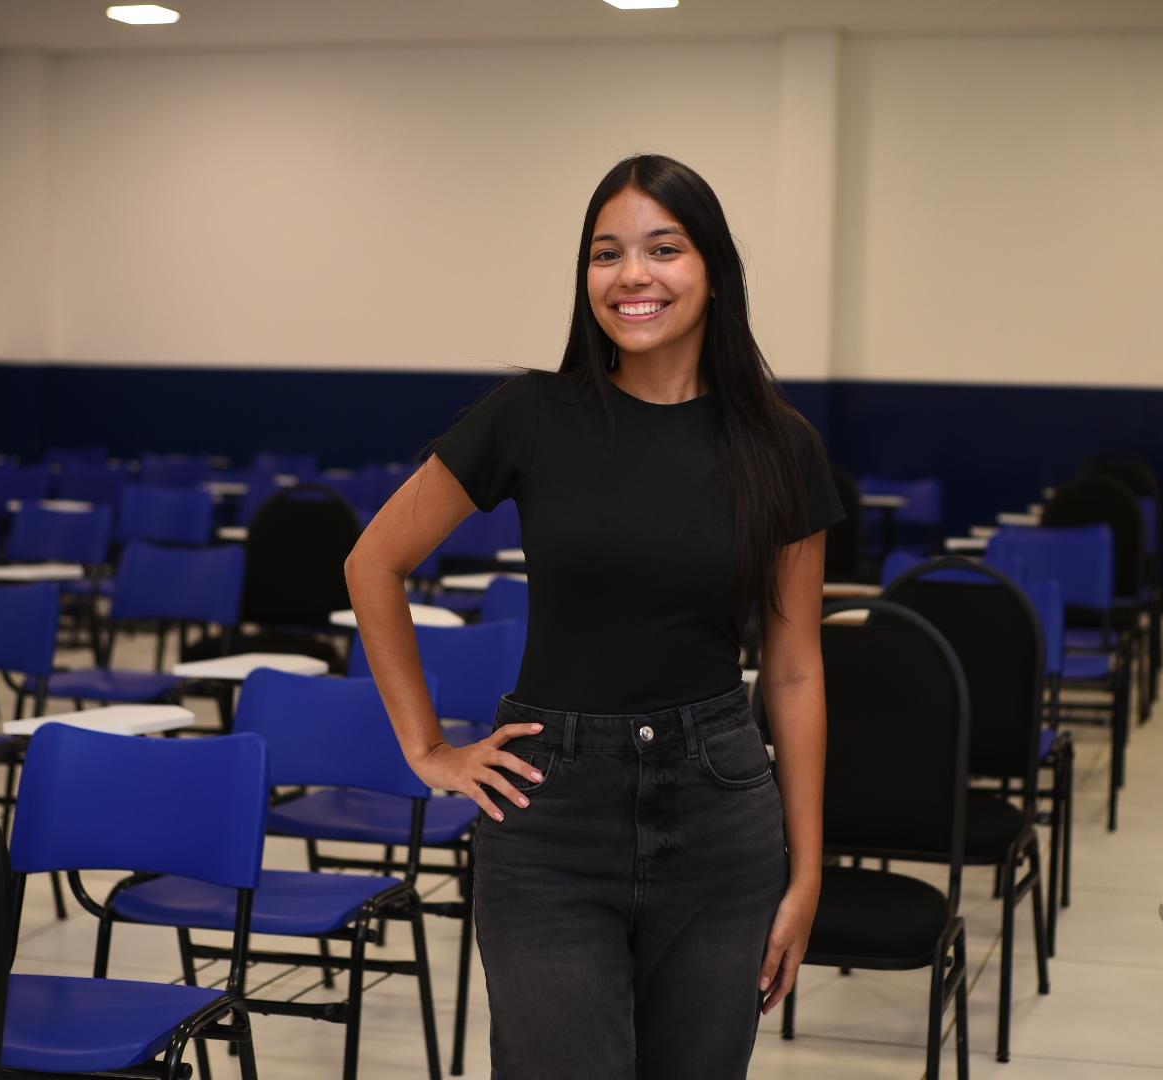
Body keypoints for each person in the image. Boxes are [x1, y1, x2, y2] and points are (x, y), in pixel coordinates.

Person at [344, 153, 843, 1079]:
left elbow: (795, 669)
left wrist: (807, 874)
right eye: (606, 253)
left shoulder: (781, 447)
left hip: (721, 810)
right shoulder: (532, 414)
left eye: (664, 248)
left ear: (715, 270)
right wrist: (429, 750)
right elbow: (373, 561)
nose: (632, 277)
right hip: (550, 815)